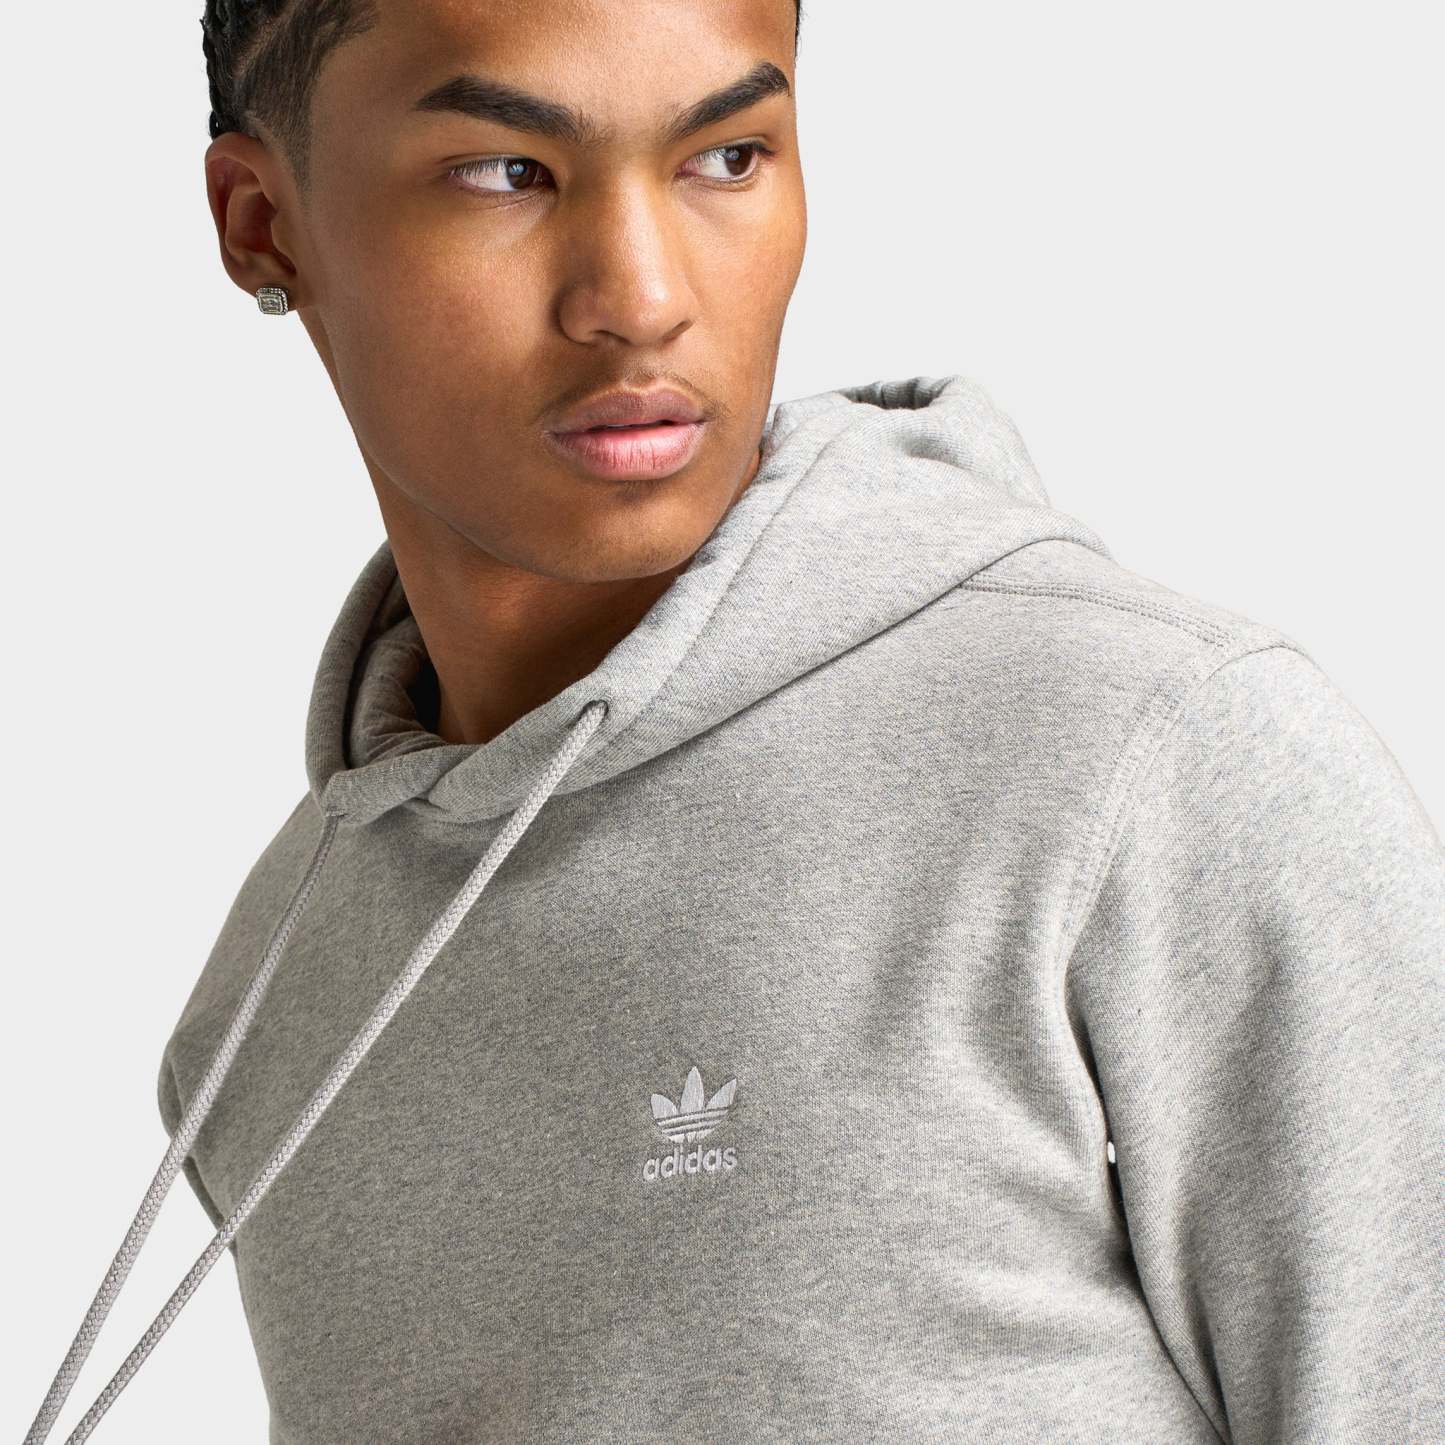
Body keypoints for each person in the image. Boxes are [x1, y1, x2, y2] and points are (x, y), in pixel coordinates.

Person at [24, 0, 1443, 1441]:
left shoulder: (1154, 762)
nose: (642, 299)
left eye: (726, 157)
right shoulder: (275, 993)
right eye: (508, 173)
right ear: (262, 220)